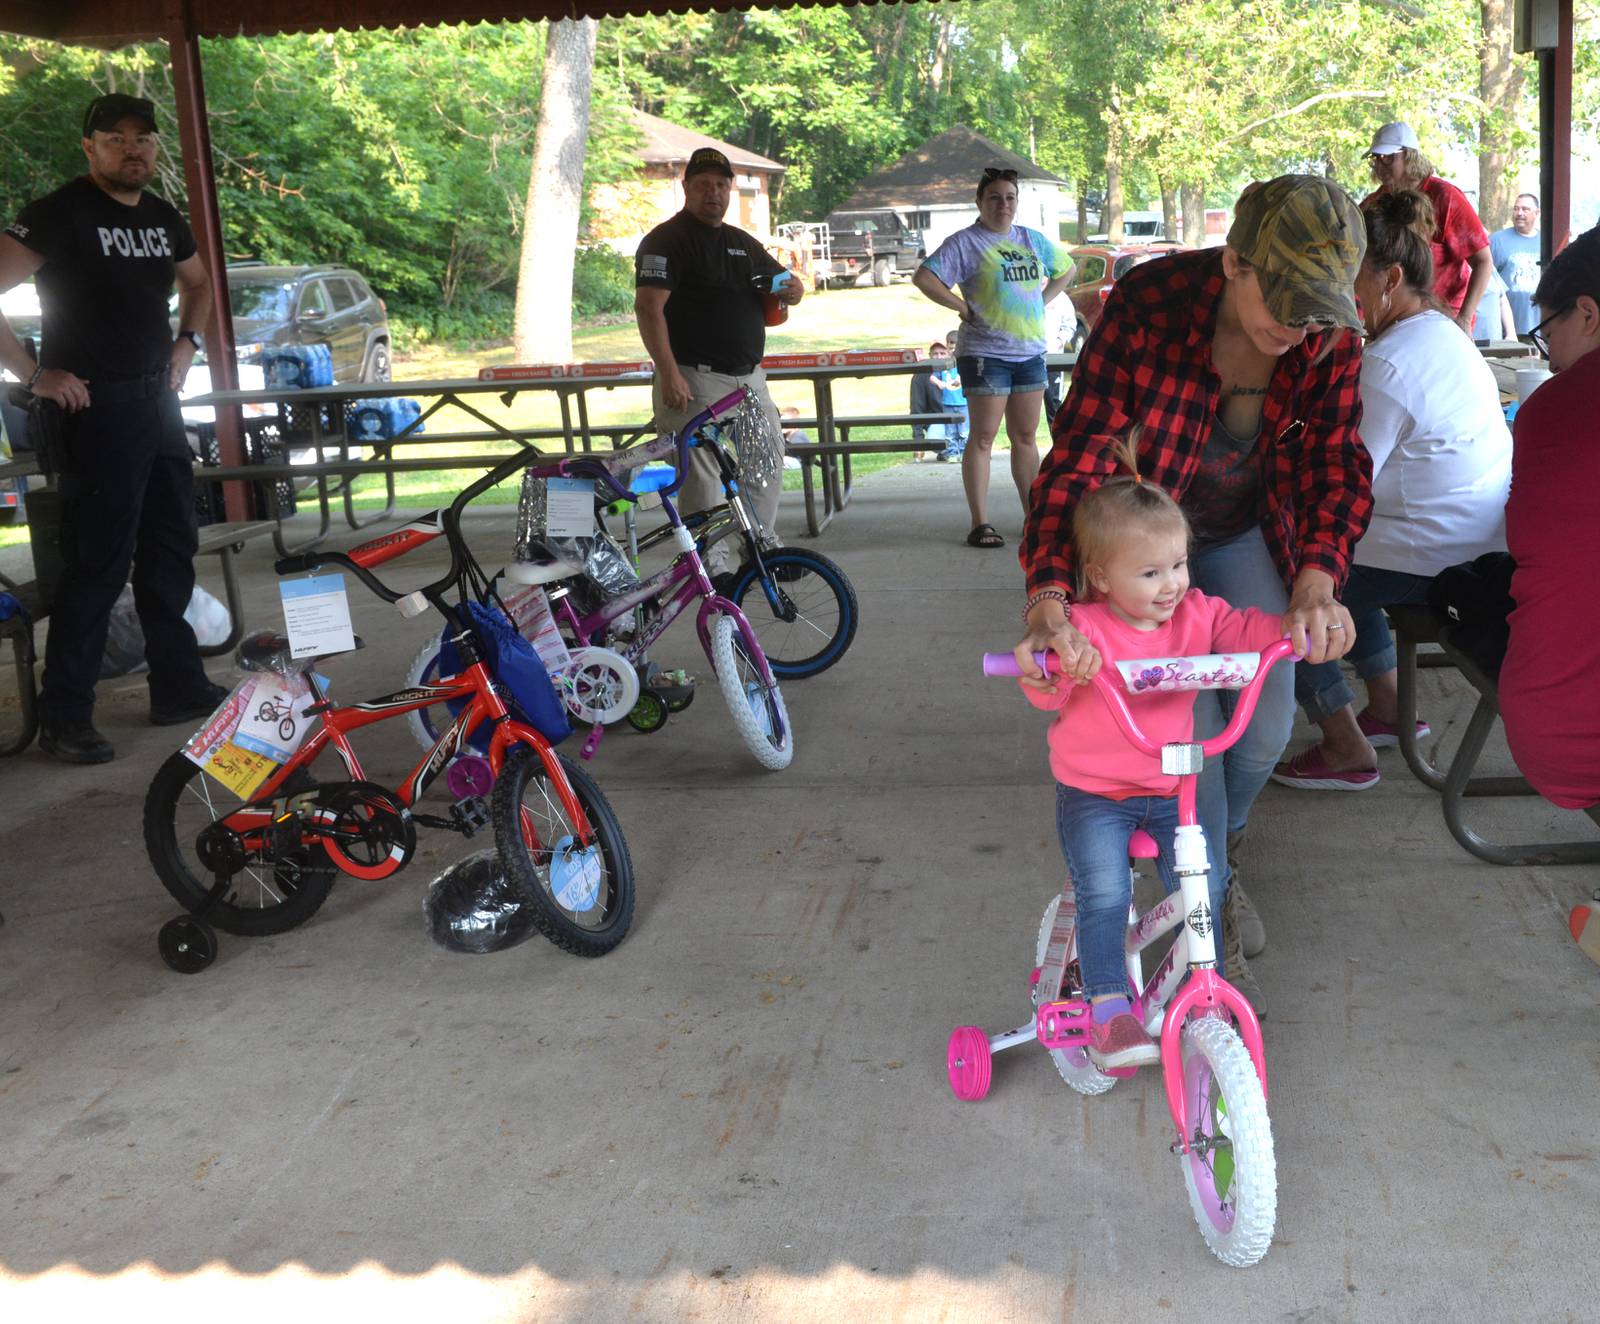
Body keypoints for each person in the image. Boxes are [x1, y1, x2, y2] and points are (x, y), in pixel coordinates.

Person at [1015, 174, 1373, 1016]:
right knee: (1191, 729)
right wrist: (1049, 602)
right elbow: (1077, 461)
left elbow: (1335, 464)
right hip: (1147, 540)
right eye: (1284, 301)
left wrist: (1317, 584)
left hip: (1249, 533)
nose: (1299, 327)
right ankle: (1198, 906)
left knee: (1268, 713)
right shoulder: (1151, 304)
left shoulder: (1327, 339)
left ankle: (1222, 849)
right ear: (1234, 264)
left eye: (1318, 309)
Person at [1018, 439, 1285, 1068]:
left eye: (1179, 565)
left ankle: (1203, 990)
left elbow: (1244, 629)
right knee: (1106, 890)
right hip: (1096, 794)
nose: (1173, 586)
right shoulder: (1082, 630)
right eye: (1151, 573)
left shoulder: (1196, 614)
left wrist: (1290, 630)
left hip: (1172, 790)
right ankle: (1110, 1007)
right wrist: (1053, 669)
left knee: (1206, 880)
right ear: (1102, 578)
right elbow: (1047, 685)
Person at [0, 93, 225, 765]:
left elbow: (200, 283)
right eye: (117, 137)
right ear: (90, 147)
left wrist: (188, 343)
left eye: (144, 138)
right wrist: (34, 373)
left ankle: (178, 686)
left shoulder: (160, 216)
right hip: (93, 414)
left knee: (170, 551)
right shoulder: (60, 214)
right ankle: (65, 715)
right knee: (95, 567)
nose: (134, 148)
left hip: (157, 407)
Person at [1271, 190, 1511, 791]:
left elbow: (1342, 479)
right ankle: (1387, 703)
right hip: (1470, 544)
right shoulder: (1443, 333)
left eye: (1349, 281)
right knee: (1344, 555)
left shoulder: (1390, 363)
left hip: (1437, 557)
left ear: (1391, 279)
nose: (1338, 298)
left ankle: (1344, 742)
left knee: (1287, 580)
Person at [634, 146, 803, 582]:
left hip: (748, 378)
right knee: (702, 477)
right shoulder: (665, 241)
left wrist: (791, 288)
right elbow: (649, 309)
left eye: (721, 185)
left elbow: (788, 284)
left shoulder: (742, 244)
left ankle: (758, 545)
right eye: (704, 184)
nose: (714, 192)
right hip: (692, 377)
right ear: (687, 188)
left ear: (730, 190)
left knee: (766, 458)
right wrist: (668, 371)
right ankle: (715, 564)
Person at [912, 167, 1074, 550]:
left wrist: (1041, 301)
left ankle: (1032, 518)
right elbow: (925, 277)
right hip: (985, 354)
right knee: (983, 438)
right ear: (980, 202)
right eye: (995, 197)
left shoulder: (1031, 240)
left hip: (1030, 352)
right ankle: (980, 522)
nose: (1003, 204)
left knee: (1025, 437)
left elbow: (1065, 269)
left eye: (1010, 197)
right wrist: (962, 307)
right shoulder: (966, 243)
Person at [1498, 224, 1600, 810]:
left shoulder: (1554, 408)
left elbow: (1525, 542)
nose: (1547, 352)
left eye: (1547, 330)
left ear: (1587, 314)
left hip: (1568, 744)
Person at [1361, 120, 1492, 334]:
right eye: (1376, 158)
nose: (1380, 165)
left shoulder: (1446, 197)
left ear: (1409, 155)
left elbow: (1483, 261)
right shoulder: (1375, 201)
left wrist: (1465, 318)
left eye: (1388, 157)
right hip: (1394, 318)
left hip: (1442, 319)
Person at [1490, 193, 1542, 337]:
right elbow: (1486, 281)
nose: (1519, 213)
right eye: (1516, 209)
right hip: (1506, 330)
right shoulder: (1497, 241)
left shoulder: (1546, 242)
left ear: (1537, 213)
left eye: (1525, 209)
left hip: (1539, 328)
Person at [909, 341, 946, 462]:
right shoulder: (921, 375)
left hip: (963, 422)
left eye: (942, 353)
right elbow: (917, 409)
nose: (939, 357)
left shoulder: (958, 372)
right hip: (939, 422)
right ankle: (946, 450)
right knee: (935, 440)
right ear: (929, 355)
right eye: (935, 354)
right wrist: (918, 443)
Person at [931, 347, 967, 462]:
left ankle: (964, 453)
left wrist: (962, 379)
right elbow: (932, 376)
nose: (952, 351)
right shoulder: (943, 366)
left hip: (963, 403)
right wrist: (939, 382)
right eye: (949, 349)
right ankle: (952, 453)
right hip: (947, 404)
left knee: (964, 431)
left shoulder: (962, 364)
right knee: (950, 431)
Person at [1471, 267, 1516, 343]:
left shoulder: (1489, 266)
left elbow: (1502, 300)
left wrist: (1511, 333)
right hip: (1469, 342)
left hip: (1495, 342)